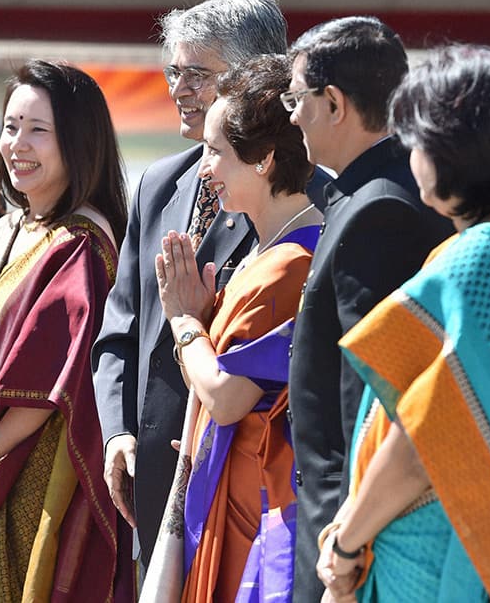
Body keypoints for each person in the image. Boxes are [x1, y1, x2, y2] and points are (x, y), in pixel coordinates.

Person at [317, 44, 490, 603]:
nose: (410, 158)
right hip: (462, 531)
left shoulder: (487, 258)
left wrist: (347, 541)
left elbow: (428, 440)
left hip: (433, 549)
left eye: (417, 141)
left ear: (457, 145)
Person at [91, 0, 299, 570]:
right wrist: (116, 434)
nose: (178, 89)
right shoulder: (159, 183)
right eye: (173, 71)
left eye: (198, 74)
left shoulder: (295, 205)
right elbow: (120, 328)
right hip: (150, 480)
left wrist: (192, 319)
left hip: (240, 484)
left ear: (254, 81)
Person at [0, 60, 134, 602]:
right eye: (10, 126)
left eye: (38, 130)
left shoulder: (84, 244)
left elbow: (50, 385)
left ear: (77, 141)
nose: (17, 144)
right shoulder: (1, 233)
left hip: (42, 477)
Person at [282, 16, 455, 601]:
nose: (291, 114)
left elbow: (373, 402)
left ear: (332, 103)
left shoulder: (375, 209)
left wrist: (348, 547)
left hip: (349, 524)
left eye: (294, 97)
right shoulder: (388, 189)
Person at [141, 55, 321, 602]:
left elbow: (225, 396)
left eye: (216, 151)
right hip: (237, 491)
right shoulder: (269, 251)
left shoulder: (287, 264)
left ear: (264, 160)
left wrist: (183, 321)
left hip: (256, 507)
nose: (204, 168)